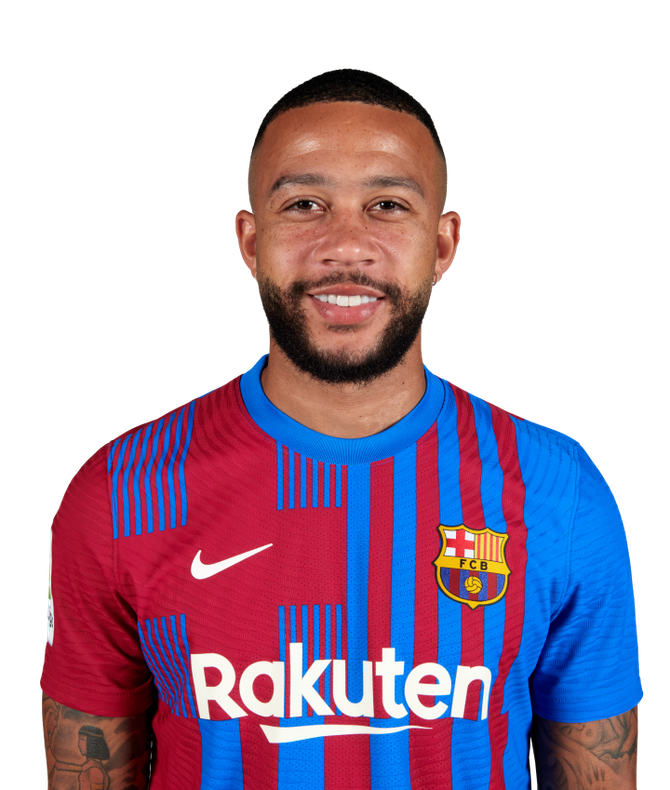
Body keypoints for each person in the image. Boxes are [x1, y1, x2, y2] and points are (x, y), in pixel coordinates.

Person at [41, 68, 642, 789]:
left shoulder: (558, 490)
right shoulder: (121, 491)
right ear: (250, 241)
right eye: (305, 204)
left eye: (387, 205)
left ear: (444, 244)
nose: (346, 245)